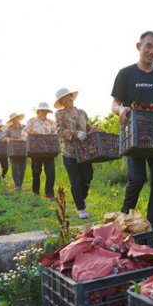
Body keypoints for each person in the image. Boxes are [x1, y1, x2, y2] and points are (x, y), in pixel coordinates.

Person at [111, 31, 153, 242]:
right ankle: (124, 218)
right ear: (139, 47)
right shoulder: (125, 74)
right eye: (148, 46)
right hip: (134, 134)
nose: (152, 51)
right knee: (137, 178)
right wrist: (120, 110)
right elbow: (114, 104)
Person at [54, 87, 94, 219]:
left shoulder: (82, 112)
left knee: (88, 176)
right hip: (69, 152)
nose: (67, 99)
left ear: (72, 97)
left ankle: (79, 197)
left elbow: (87, 127)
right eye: (64, 98)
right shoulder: (60, 114)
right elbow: (60, 131)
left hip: (84, 151)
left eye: (69, 96)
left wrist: (93, 131)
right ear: (61, 101)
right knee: (75, 180)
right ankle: (81, 208)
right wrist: (76, 133)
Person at [24, 102, 58, 200]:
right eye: (42, 110)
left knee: (50, 172)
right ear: (38, 111)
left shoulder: (51, 122)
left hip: (49, 150)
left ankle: (49, 194)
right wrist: (31, 133)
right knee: (36, 171)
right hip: (35, 150)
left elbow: (55, 133)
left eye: (46, 111)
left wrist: (53, 135)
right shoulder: (31, 121)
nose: (44, 112)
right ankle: (35, 191)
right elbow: (25, 132)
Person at [5, 112, 27, 191]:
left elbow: (29, 135)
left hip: (23, 150)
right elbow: (4, 137)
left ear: (18, 118)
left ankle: (20, 185)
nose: (15, 120)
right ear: (11, 120)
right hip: (12, 151)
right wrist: (8, 139)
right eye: (13, 119)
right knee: (15, 168)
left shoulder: (24, 127)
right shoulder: (9, 128)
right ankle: (17, 185)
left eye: (16, 118)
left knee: (22, 168)